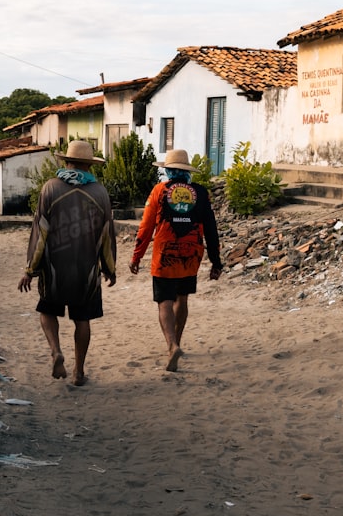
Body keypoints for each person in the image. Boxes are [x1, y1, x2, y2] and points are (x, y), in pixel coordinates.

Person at [18, 140, 116, 387]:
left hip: (54, 268)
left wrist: (30, 269)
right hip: (87, 269)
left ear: (67, 162)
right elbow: (107, 234)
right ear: (89, 164)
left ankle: (55, 351)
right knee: (82, 319)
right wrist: (109, 268)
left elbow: (40, 233)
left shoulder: (50, 188)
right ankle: (78, 372)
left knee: (47, 311)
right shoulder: (100, 192)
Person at [129, 149, 223, 372]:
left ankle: (172, 345)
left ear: (168, 170)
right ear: (187, 171)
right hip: (191, 254)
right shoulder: (200, 192)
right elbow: (211, 228)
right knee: (183, 299)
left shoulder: (160, 191)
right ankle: (178, 341)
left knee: (165, 302)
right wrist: (216, 262)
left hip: (165, 255)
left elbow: (146, 227)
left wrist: (137, 256)